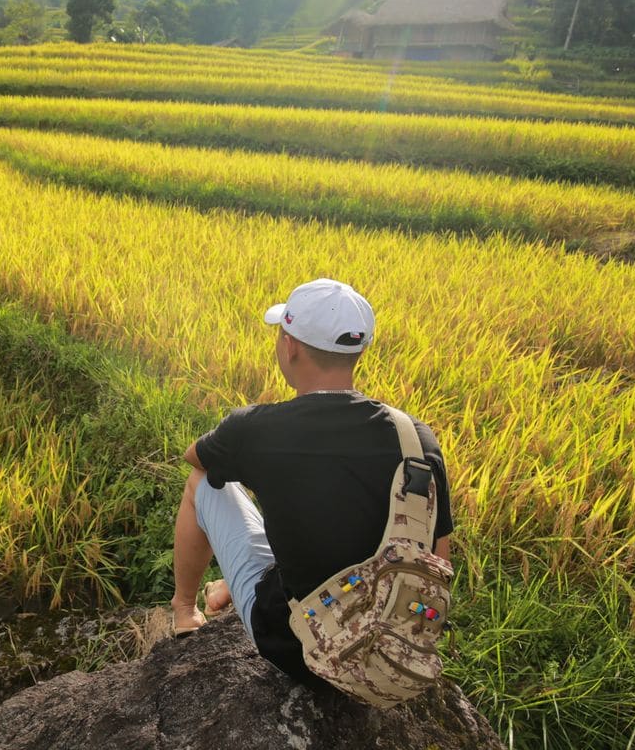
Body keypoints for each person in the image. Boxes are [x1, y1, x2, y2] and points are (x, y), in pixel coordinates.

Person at [169, 279, 454, 687]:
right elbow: (437, 559)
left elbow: (195, 457)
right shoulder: (416, 439)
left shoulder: (256, 430)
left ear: (290, 345)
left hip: (297, 650)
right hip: (393, 648)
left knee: (204, 483)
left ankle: (185, 611)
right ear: (359, 351)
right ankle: (230, 587)